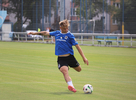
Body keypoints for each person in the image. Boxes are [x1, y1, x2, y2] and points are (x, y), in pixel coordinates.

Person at [28, 19, 89, 93]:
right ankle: (71, 86)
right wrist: (34, 33)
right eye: (64, 28)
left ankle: (69, 68)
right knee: (65, 71)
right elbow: (45, 33)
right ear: (61, 28)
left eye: (67, 28)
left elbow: (77, 46)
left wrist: (84, 58)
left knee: (79, 69)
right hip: (61, 59)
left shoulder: (70, 36)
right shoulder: (57, 33)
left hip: (70, 57)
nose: (66, 30)